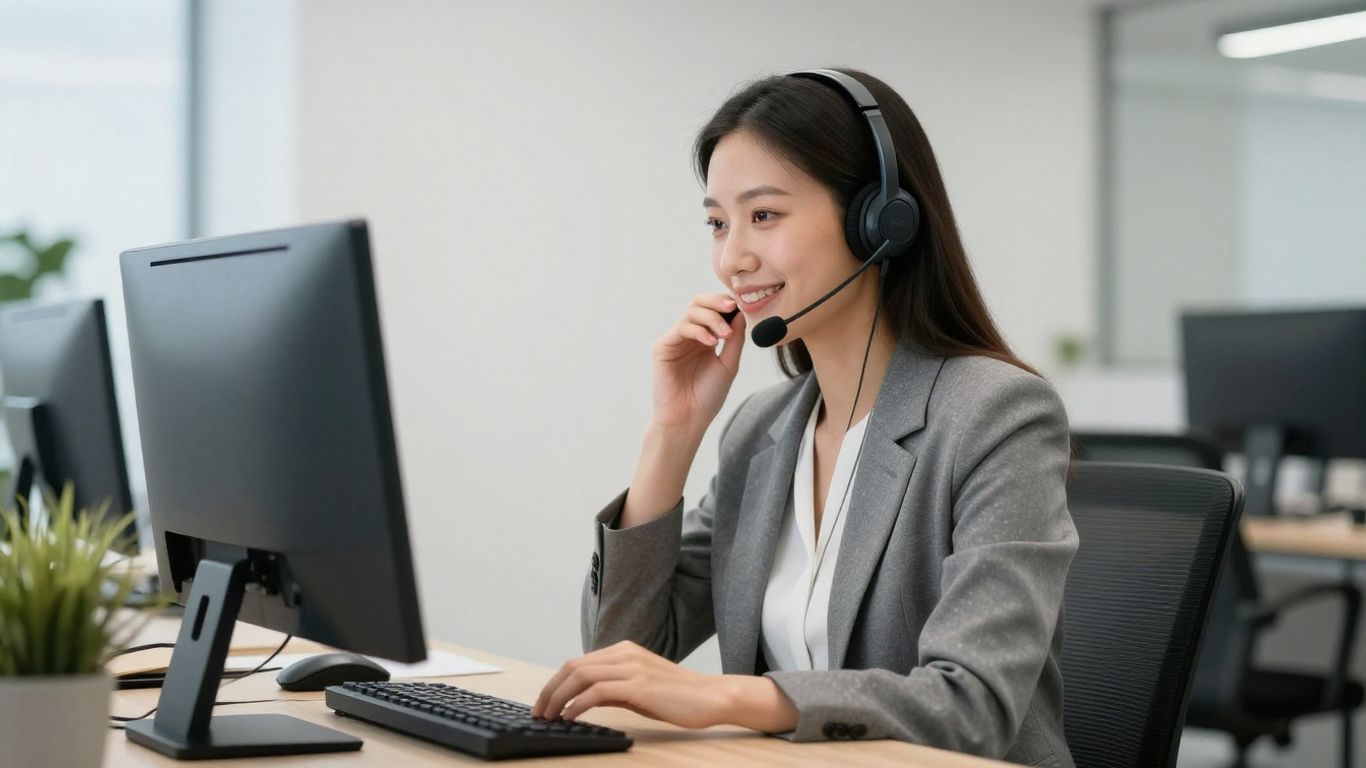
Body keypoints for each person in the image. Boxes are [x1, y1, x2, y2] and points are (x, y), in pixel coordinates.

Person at [530, 67, 1078, 767]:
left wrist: (730, 699)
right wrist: (672, 435)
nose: (733, 259)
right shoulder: (762, 430)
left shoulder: (994, 415)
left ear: (880, 219)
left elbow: (973, 704)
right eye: (718, 223)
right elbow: (621, 654)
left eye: (764, 215)